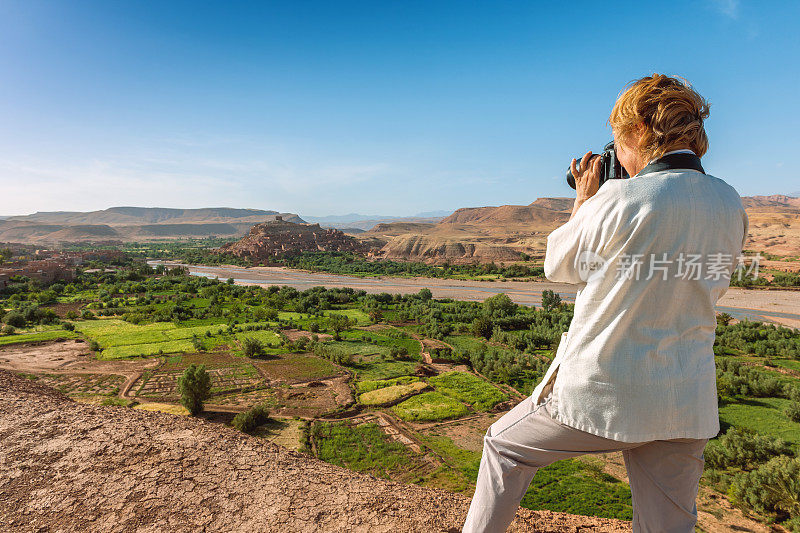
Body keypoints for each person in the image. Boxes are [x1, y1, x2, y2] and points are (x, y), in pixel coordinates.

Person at [462, 74, 749, 533]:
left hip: (604, 391)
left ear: (637, 127)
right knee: (667, 524)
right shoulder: (728, 200)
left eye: (616, 138)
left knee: (504, 447)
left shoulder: (619, 197)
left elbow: (559, 266)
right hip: (685, 397)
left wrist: (583, 199)